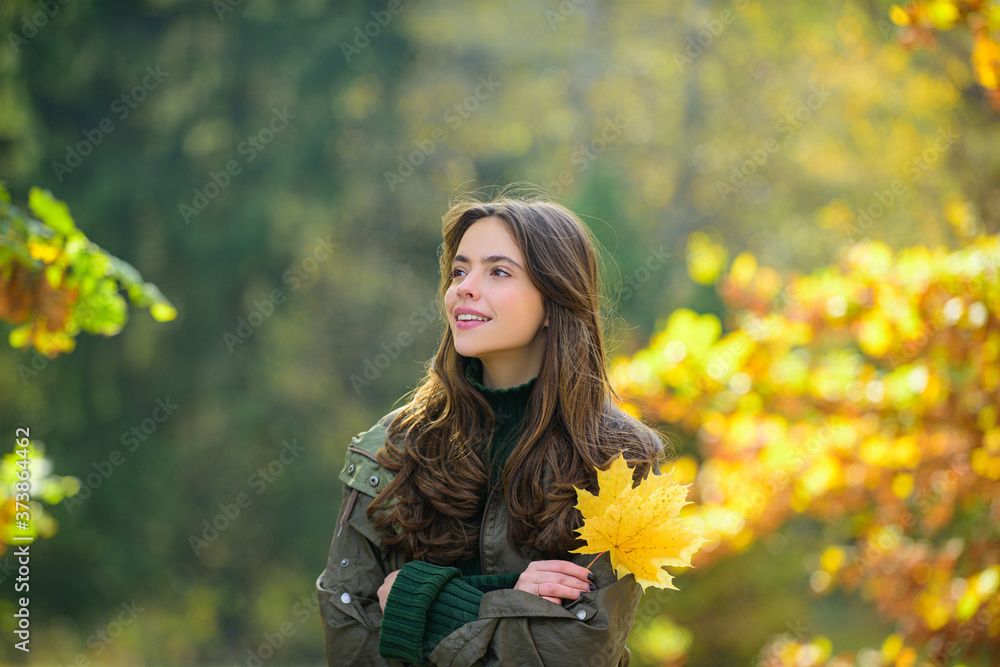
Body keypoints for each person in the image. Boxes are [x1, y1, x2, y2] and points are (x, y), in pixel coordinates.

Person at [316, 192, 666, 666]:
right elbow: (350, 640)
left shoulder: (621, 459)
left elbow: (574, 650)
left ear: (556, 299)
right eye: (459, 271)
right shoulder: (387, 449)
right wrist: (509, 597)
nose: (464, 287)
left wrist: (417, 599)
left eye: (498, 272)